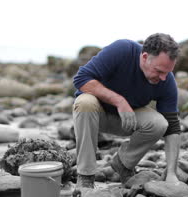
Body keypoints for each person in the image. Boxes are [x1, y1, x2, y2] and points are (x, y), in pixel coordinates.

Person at [72, 33, 181, 188]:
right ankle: (86, 176)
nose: (163, 77)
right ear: (144, 57)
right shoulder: (122, 50)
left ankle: (123, 163)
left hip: (127, 121)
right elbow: (81, 79)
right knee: (84, 102)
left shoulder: (166, 81)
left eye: (167, 72)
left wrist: (171, 173)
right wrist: (119, 101)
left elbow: (172, 128)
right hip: (95, 115)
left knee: (160, 124)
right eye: (159, 71)